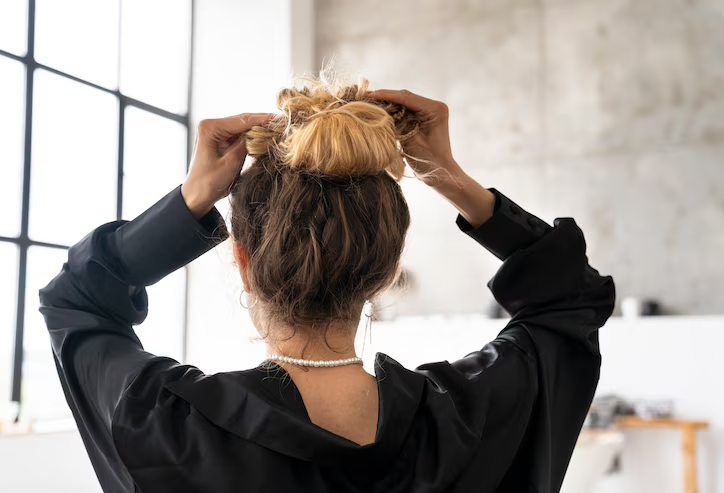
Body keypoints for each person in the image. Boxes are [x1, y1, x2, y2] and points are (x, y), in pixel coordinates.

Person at [40, 79, 615, 493]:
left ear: (242, 261)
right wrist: (451, 177)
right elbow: (568, 297)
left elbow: (76, 300)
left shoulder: (165, 424)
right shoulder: (473, 417)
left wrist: (191, 201)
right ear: (388, 268)